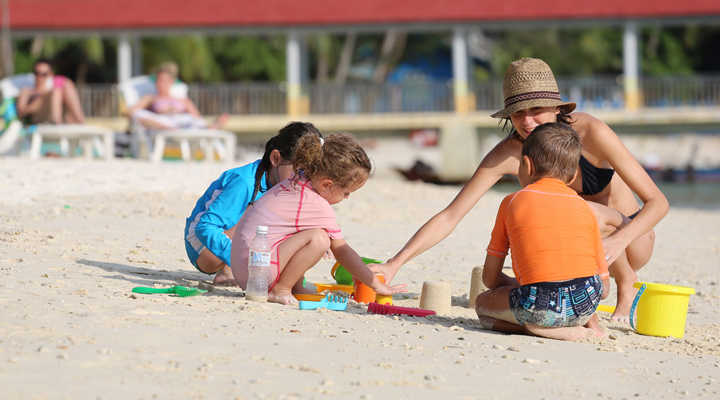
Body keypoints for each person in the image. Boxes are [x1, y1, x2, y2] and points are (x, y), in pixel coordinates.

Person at [373, 58, 668, 324]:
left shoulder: (592, 133)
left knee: (583, 213)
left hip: (630, 241)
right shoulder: (510, 153)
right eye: (517, 113)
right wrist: (393, 264)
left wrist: (619, 240)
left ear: (557, 107)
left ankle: (627, 282)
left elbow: (658, 202)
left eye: (536, 110)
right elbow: (451, 216)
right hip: (577, 252)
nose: (527, 122)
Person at [230, 132, 407, 305]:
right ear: (326, 184)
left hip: (248, 268)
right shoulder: (313, 202)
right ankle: (281, 289)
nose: (346, 198)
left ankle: (295, 286)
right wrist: (375, 284)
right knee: (319, 239)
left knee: (309, 233)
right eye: (346, 192)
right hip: (256, 276)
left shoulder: (298, 179)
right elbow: (342, 251)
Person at [475, 122, 611, 341]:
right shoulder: (586, 207)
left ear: (527, 165)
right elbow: (604, 289)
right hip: (585, 303)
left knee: (483, 305)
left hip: (539, 304)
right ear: (574, 174)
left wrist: (524, 282)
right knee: (576, 290)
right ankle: (590, 324)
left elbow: (490, 279)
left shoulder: (511, 202)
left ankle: (537, 329)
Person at [185, 122, 321, 286]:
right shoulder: (245, 182)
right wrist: (239, 262)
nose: (303, 178)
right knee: (264, 209)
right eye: (298, 170)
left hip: (232, 236)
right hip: (202, 246)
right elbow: (205, 227)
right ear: (276, 158)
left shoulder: (289, 181)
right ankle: (229, 269)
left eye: (309, 171)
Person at [128, 62, 228, 130]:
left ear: (171, 82)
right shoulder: (150, 98)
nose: (160, 83)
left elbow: (198, 117)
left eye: (164, 80)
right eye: (158, 80)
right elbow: (132, 113)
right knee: (138, 114)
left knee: (193, 120)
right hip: (162, 122)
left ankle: (211, 126)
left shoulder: (182, 99)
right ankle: (174, 130)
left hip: (181, 120)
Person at [16, 59, 86, 125]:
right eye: (37, 73)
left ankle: (80, 121)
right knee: (57, 90)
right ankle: (57, 123)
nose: (39, 77)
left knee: (65, 85)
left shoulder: (54, 90)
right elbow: (21, 113)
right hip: (37, 119)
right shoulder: (26, 91)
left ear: (50, 74)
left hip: (55, 114)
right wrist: (39, 102)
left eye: (44, 74)